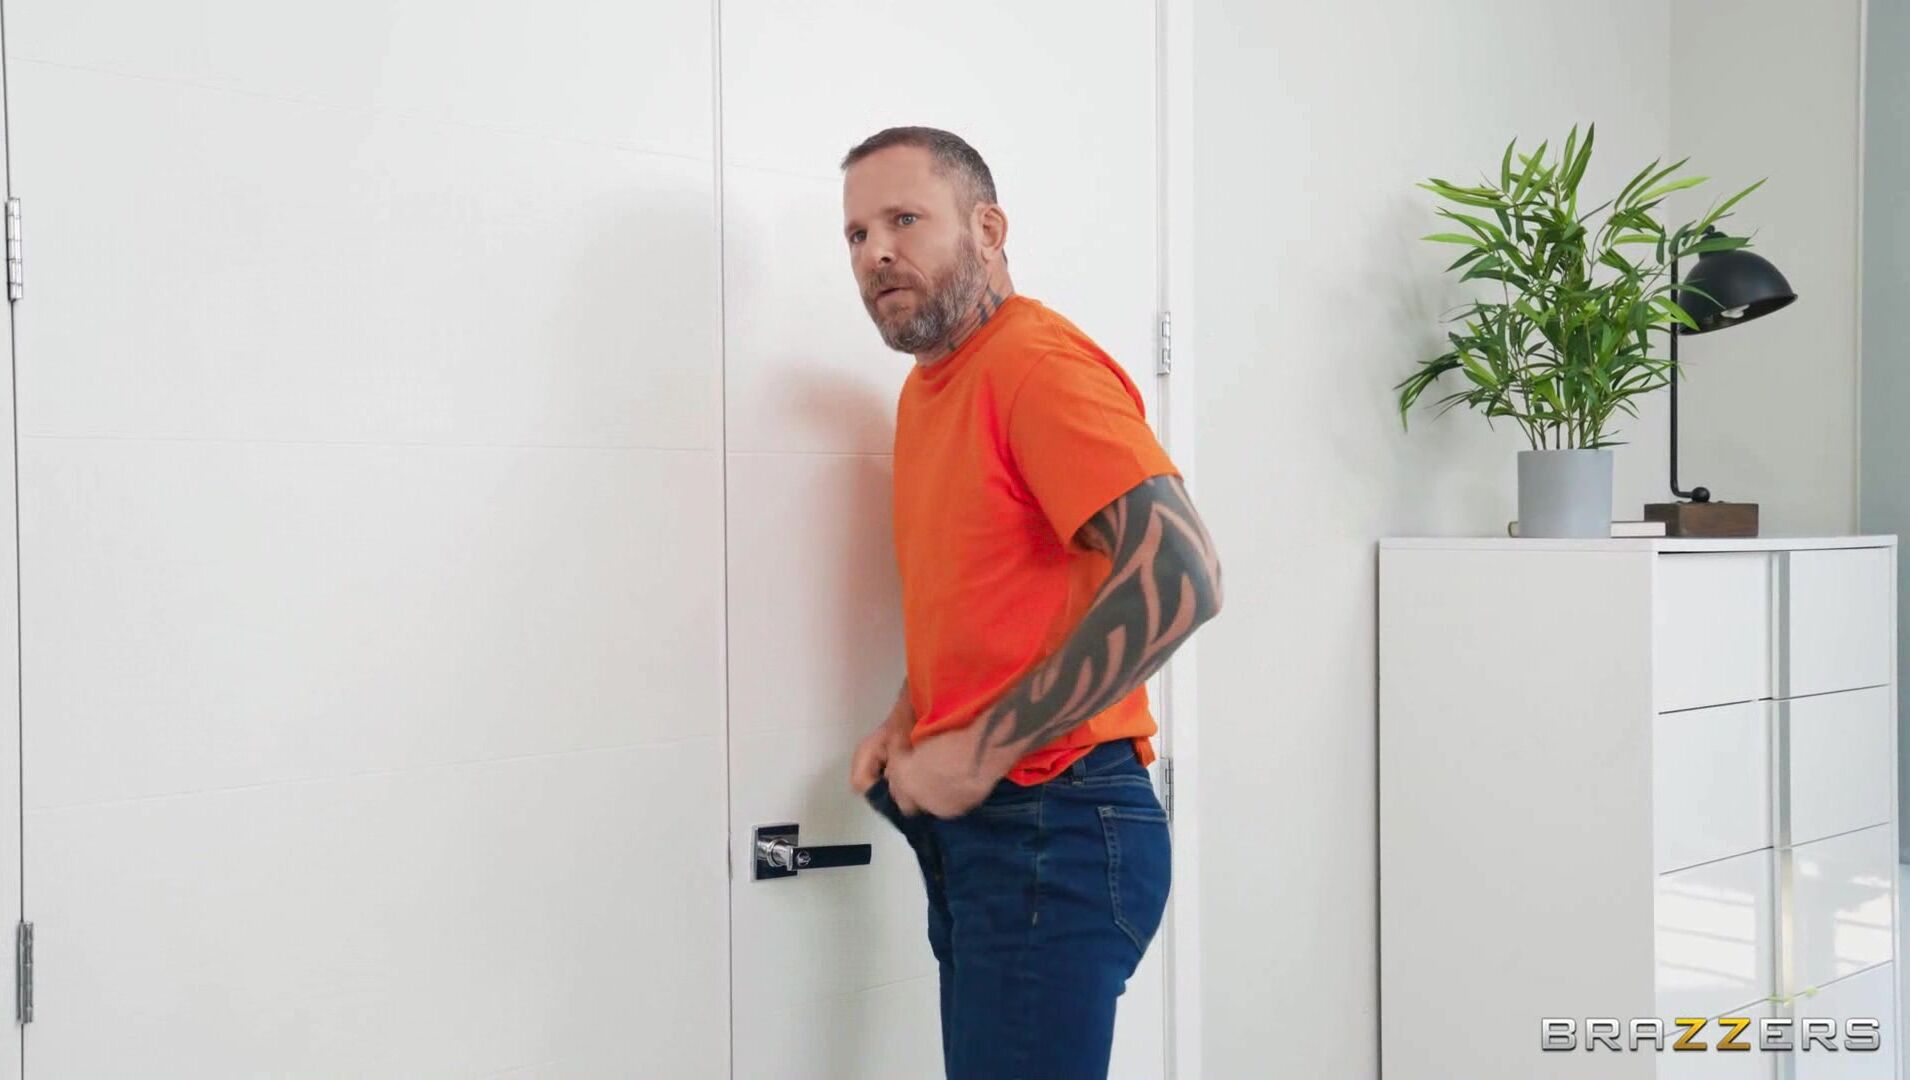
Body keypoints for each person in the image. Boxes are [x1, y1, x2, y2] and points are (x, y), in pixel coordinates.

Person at [839, 126, 1224, 1080]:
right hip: (996, 831)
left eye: (904, 219)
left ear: (988, 228)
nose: (876, 252)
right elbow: (986, 593)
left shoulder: (1034, 365)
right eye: (856, 233)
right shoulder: (930, 389)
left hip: (1056, 821)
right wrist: (912, 715)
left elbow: (1182, 574)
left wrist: (980, 746)